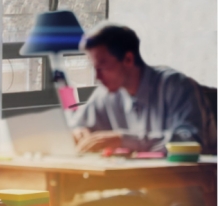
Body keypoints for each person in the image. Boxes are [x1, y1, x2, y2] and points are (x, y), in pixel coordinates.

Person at [71, 24, 215, 154]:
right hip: (138, 180)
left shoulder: (177, 86)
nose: (97, 77)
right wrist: (77, 132)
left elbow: (191, 141)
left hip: (194, 179)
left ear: (128, 59)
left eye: (102, 67)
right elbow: (77, 126)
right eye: (94, 68)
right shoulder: (105, 94)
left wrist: (123, 139)